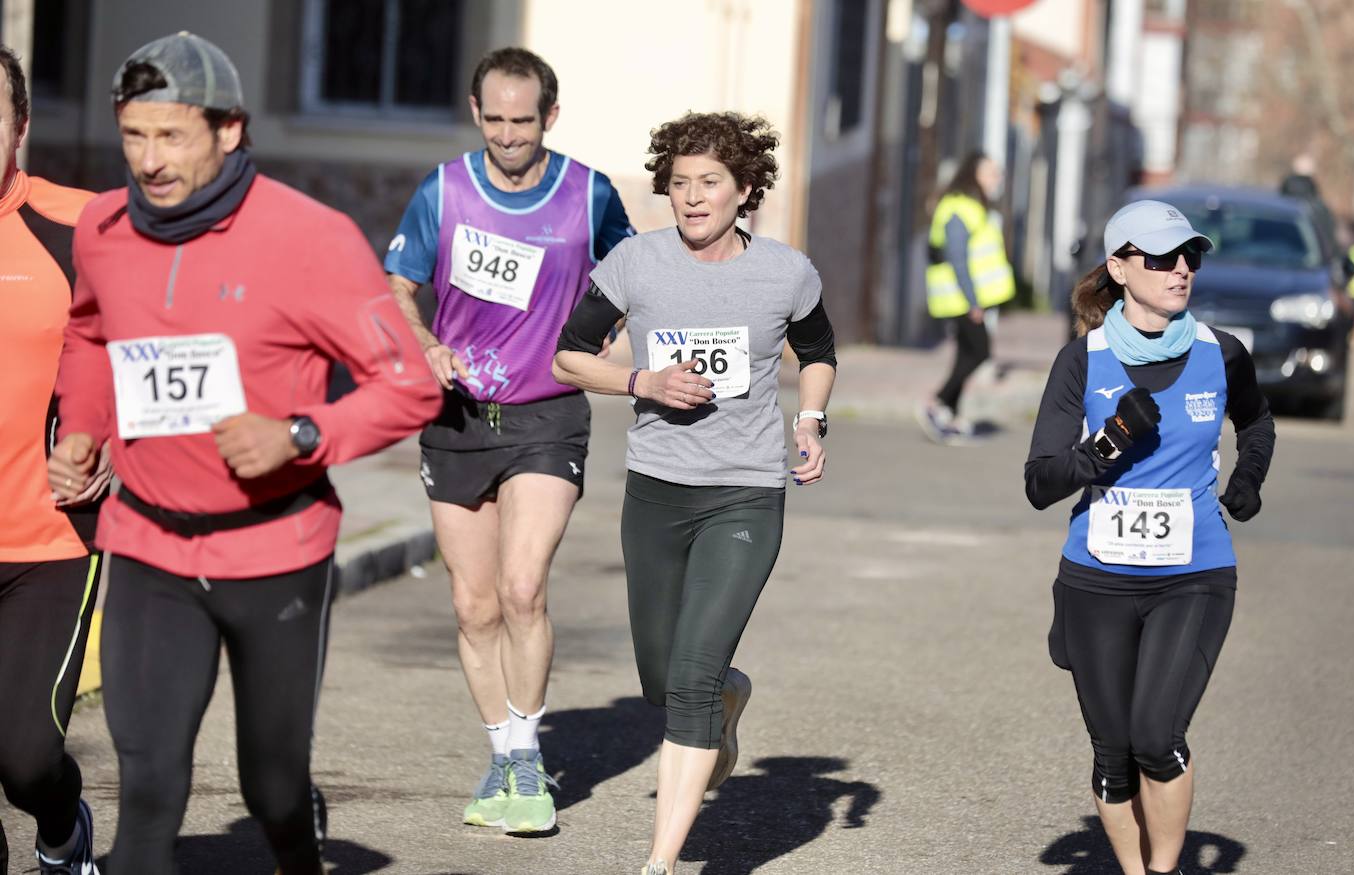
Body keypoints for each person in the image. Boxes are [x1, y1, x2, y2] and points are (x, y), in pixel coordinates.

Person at [46, 33, 441, 875]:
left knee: (272, 789)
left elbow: (408, 385)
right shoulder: (104, 229)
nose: (149, 161)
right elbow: (88, 333)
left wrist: (300, 436)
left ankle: (298, 854)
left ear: (229, 130)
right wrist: (81, 425)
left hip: (274, 549)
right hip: (148, 544)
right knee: (146, 796)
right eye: (133, 136)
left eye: (172, 135)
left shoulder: (311, 238)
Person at [552, 111, 837, 875]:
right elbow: (569, 357)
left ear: (745, 189)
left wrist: (810, 420)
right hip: (656, 493)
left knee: (688, 681)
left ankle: (660, 862)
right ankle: (727, 697)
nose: (691, 197)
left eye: (709, 183)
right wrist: (642, 380)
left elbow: (818, 351)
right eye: (679, 184)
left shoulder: (785, 272)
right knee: (660, 676)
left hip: (743, 494)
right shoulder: (635, 264)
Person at [384, 47, 633, 834]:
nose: (507, 135)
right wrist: (423, 343)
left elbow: (630, 276)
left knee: (523, 587)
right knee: (472, 603)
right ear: (475, 111)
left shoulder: (589, 193)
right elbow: (396, 285)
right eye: (493, 119)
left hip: (546, 413)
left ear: (549, 117)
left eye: (522, 121)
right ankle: (502, 751)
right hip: (457, 418)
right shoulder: (446, 189)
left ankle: (527, 756)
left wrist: (592, 343)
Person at [1025, 200, 1275, 875]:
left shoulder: (1222, 352)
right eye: (1162, 257)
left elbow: (1256, 422)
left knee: (1156, 737)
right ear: (1119, 266)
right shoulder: (1083, 359)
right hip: (1097, 577)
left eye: (1190, 255)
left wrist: (1249, 476)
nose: (1181, 269)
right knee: (1113, 753)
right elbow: (1041, 481)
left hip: (1193, 572)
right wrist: (1108, 444)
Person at [1, 44, 111, 875]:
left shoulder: (82, 225)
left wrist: (111, 438)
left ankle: (63, 827)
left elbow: (151, 347)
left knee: (25, 754)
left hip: (47, 537)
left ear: (21, 127)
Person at [921, 151, 1015, 443]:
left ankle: (949, 412)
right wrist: (972, 300)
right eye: (990, 172)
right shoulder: (960, 209)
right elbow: (958, 258)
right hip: (959, 299)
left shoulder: (974, 207)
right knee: (980, 351)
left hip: (967, 298)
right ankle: (936, 403)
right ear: (972, 174)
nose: (996, 178)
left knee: (965, 353)